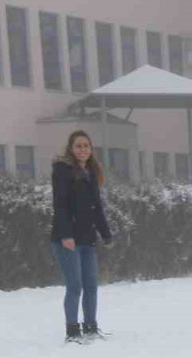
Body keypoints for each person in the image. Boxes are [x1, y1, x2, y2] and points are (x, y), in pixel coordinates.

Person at [50, 130, 113, 343]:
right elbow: (60, 205)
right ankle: (72, 330)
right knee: (75, 285)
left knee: (91, 285)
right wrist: (66, 235)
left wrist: (105, 233)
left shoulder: (91, 172)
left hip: (87, 238)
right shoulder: (62, 171)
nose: (83, 149)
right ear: (71, 148)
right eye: (78, 146)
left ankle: (91, 325)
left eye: (86, 145)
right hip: (67, 239)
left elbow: (96, 207)